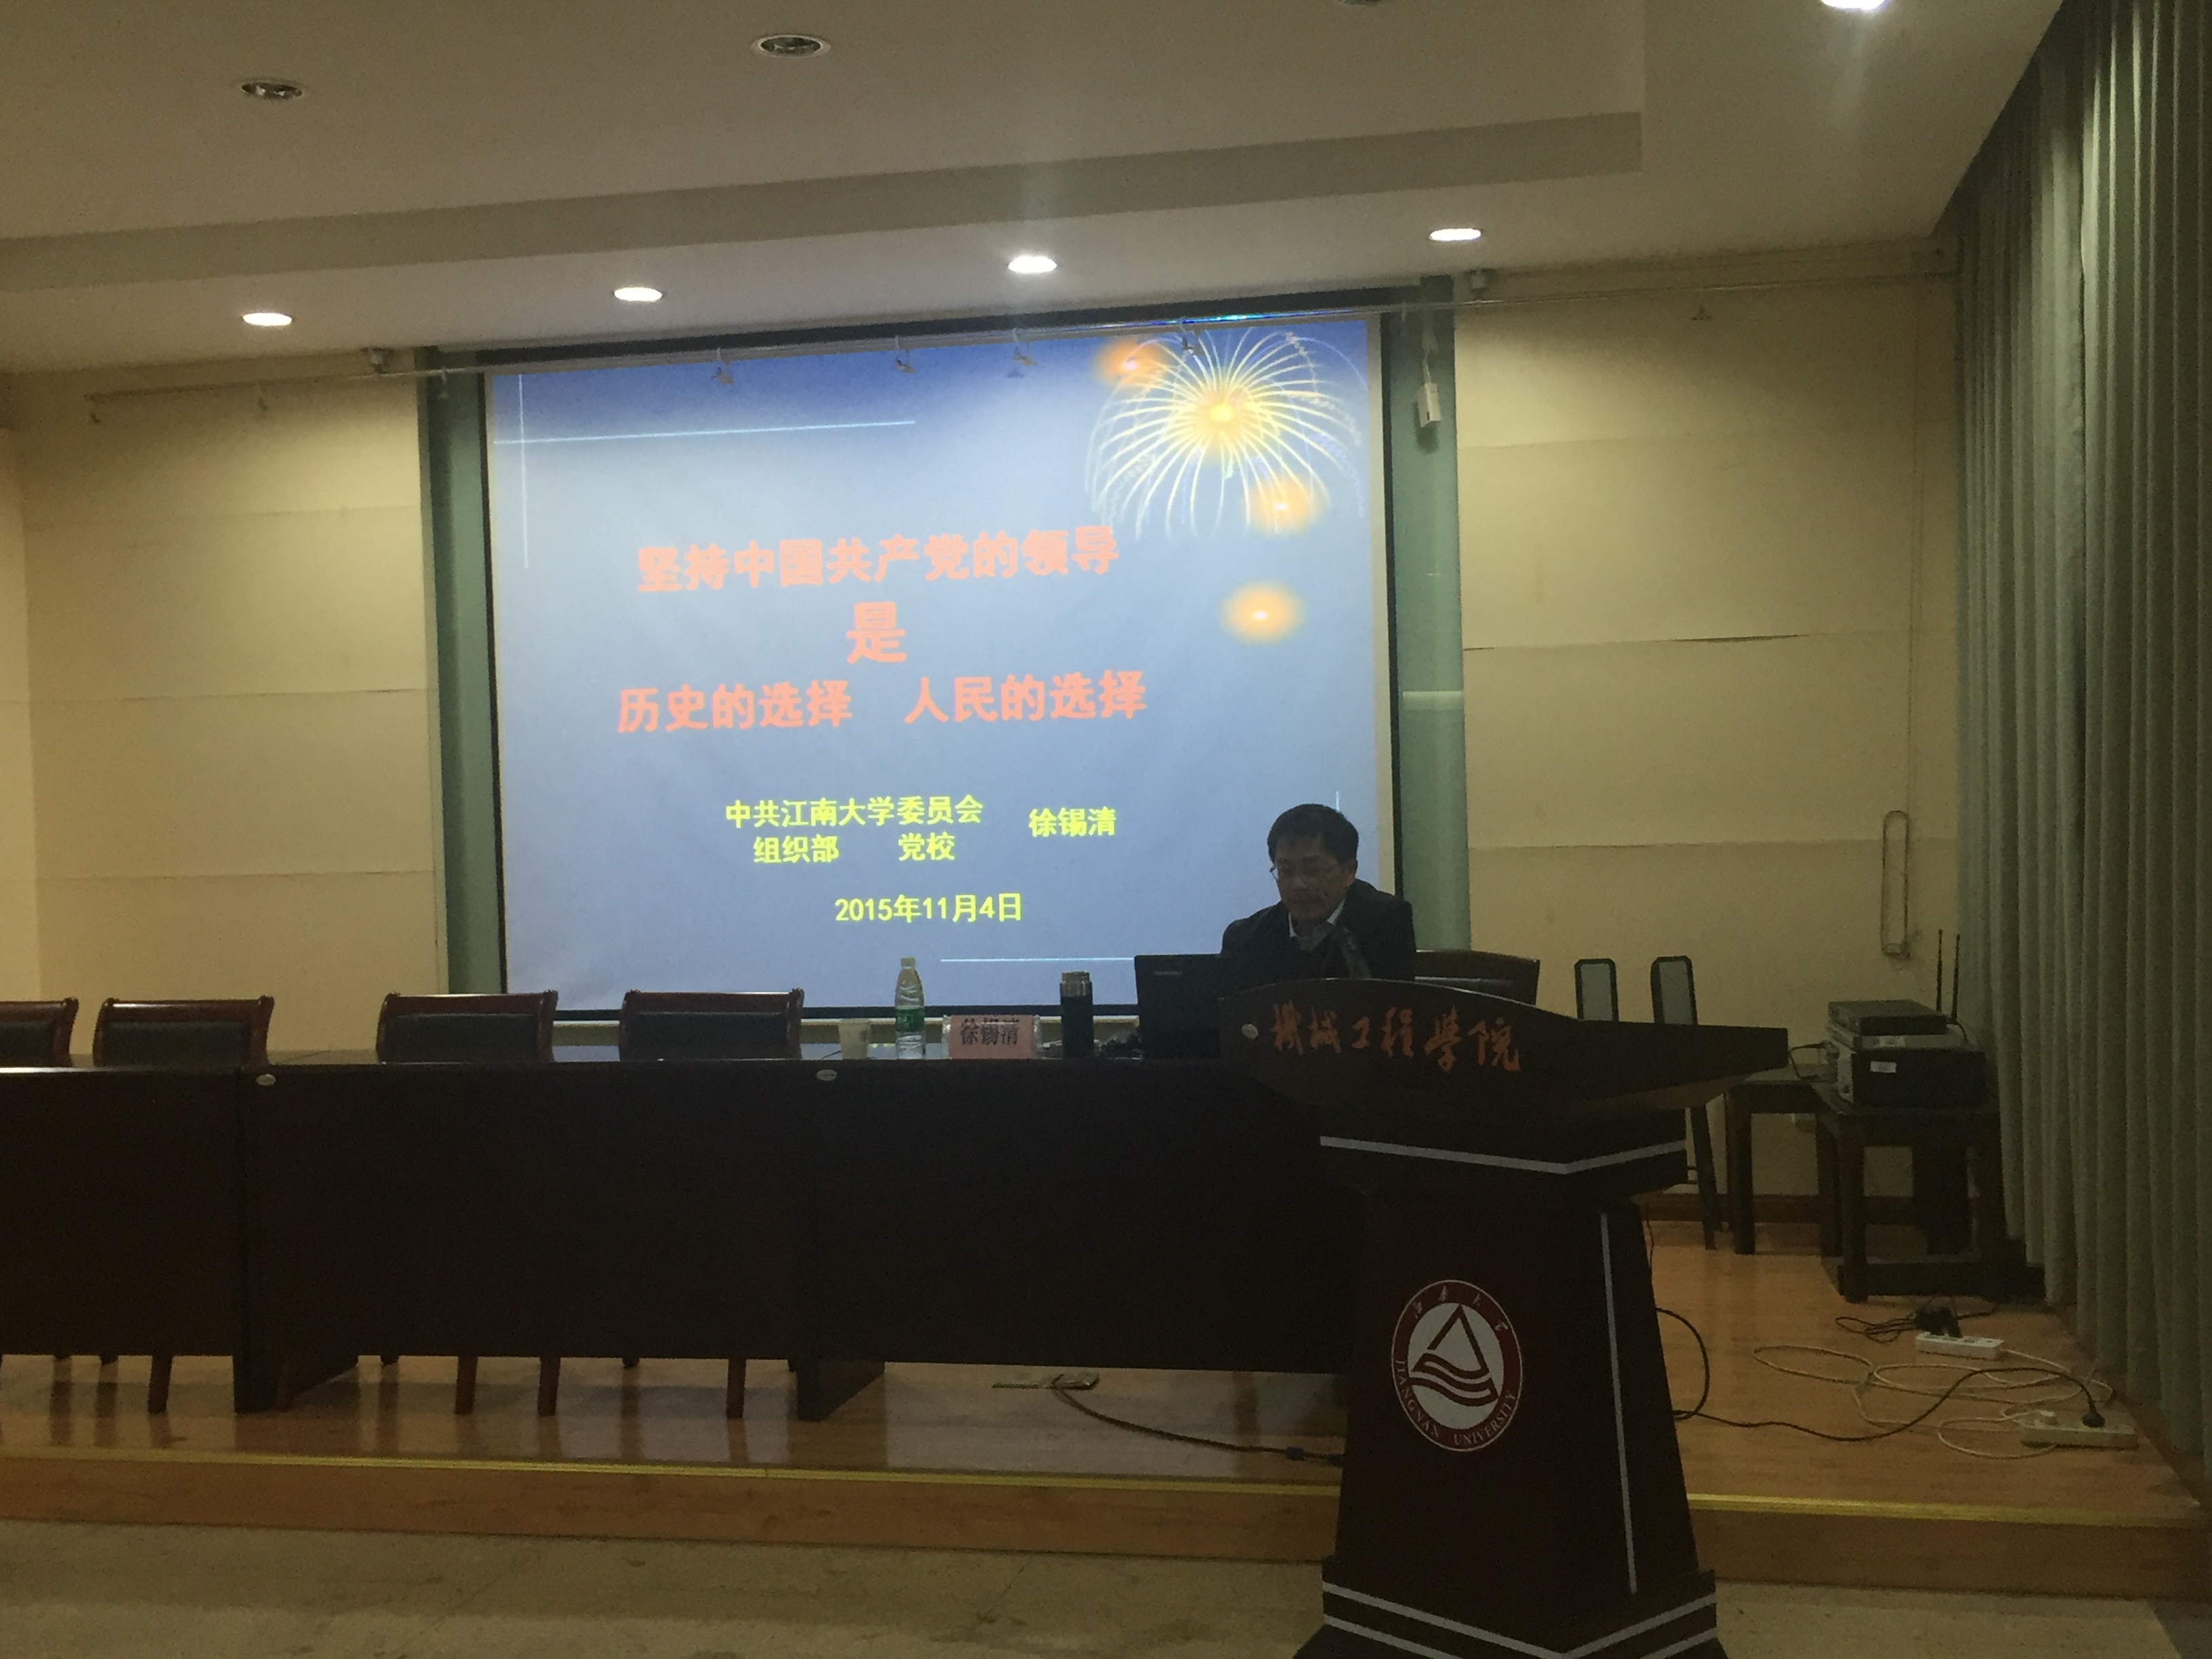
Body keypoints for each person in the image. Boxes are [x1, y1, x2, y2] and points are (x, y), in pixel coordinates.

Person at [1221, 804, 1416, 981]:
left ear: (1349, 872)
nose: (1298, 885)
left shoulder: (1385, 922)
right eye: (1285, 871)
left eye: (1311, 870)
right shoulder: (1246, 938)